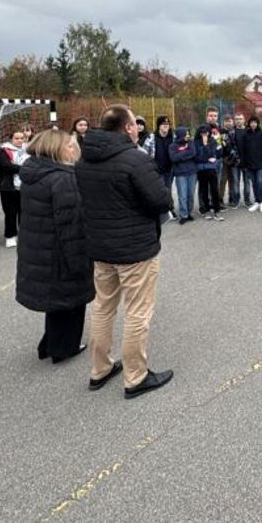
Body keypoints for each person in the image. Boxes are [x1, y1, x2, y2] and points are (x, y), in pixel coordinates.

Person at [75, 104, 174, 399]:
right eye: (134, 124)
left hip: (101, 248)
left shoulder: (84, 160)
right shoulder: (134, 160)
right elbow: (160, 200)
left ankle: (100, 368)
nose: (137, 128)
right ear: (129, 128)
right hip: (134, 249)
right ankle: (135, 376)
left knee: (103, 308)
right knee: (138, 312)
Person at [15, 129, 94, 363]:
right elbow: (70, 224)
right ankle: (63, 348)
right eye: (69, 145)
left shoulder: (35, 172)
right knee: (70, 302)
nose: (74, 149)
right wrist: (80, 260)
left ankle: (50, 343)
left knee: (56, 301)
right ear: (57, 149)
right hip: (60, 251)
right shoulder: (63, 178)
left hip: (41, 247)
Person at [0, 129, 29, 249]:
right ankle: (10, 236)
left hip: (25, 187)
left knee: (24, 213)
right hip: (9, 187)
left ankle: (24, 235)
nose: (19, 140)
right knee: (10, 213)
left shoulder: (29, 150)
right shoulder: (4, 150)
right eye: (17, 138)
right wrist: (24, 169)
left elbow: (33, 164)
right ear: (11, 139)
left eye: (22, 138)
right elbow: (6, 166)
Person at [194, 124, 224, 221]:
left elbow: (213, 153)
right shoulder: (196, 142)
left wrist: (206, 144)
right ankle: (206, 210)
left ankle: (216, 211)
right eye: (202, 132)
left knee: (214, 189)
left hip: (211, 168)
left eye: (206, 132)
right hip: (201, 170)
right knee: (204, 190)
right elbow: (197, 157)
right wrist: (207, 156)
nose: (204, 134)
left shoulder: (212, 141)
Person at [240, 116, 262, 212]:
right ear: (249, 124)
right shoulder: (246, 135)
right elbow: (243, 150)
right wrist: (244, 164)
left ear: (257, 124)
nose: (253, 124)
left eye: (255, 122)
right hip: (249, 164)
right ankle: (257, 201)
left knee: (260, 182)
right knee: (254, 183)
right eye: (251, 122)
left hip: (260, 164)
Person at [168, 126, 197, 223]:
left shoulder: (191, 143)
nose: (188, 136)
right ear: (181, 134)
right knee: (182, 195)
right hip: (180, 174)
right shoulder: (172, 146)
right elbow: (173, 158)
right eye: (186, 134)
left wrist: (181, 154)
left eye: (188, 134)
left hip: (192, 172)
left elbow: (193, 153)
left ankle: (189, 213)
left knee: (191, 195)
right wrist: (185, 152)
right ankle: (183, 215)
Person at [218, 115, 241, 208]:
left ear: (233, 122)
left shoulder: (235, 131)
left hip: (234, 160)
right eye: (226, 121)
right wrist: (223, 156)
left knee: (232, 180)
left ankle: (232, 198)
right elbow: (219, 145)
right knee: (223, 180)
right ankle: (220, 199)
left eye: (230, 121)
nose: (228, 123)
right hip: (224, 160)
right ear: (223, 122)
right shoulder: (220, 132)